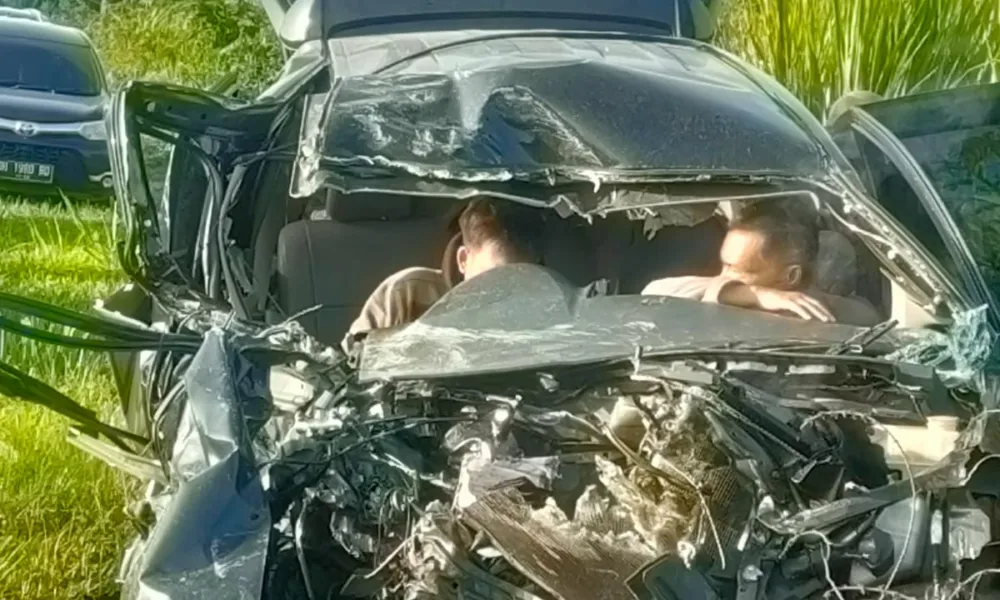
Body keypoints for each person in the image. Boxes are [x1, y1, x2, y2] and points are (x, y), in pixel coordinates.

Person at [642, 204, 881, 326]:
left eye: (737, 270)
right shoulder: (730, 299)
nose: (723, 276)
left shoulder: (845, 315)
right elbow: (654, 292)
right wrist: (754, 294)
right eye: (724, 265)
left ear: (791, 276)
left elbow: (870, 319)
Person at [347, 198, 544, 337]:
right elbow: (348, 368)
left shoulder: (544, 309)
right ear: (463, 260)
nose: (506, 292)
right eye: (493, 276)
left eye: (521, 278)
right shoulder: (408, 294)